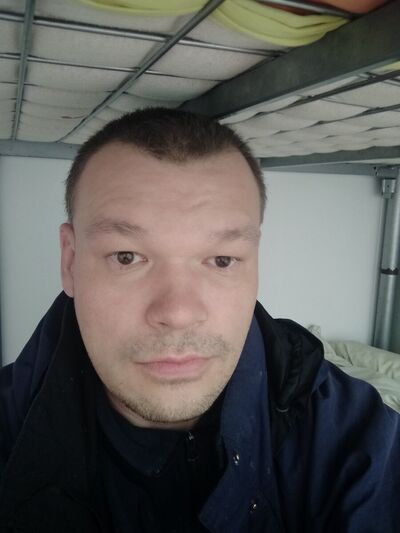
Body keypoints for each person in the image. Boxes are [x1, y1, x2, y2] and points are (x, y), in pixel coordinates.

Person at [0, 108, 398, 533]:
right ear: (70, 260)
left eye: (222, 260)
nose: (177, 313)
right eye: (126, 257)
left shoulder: (353, 436)